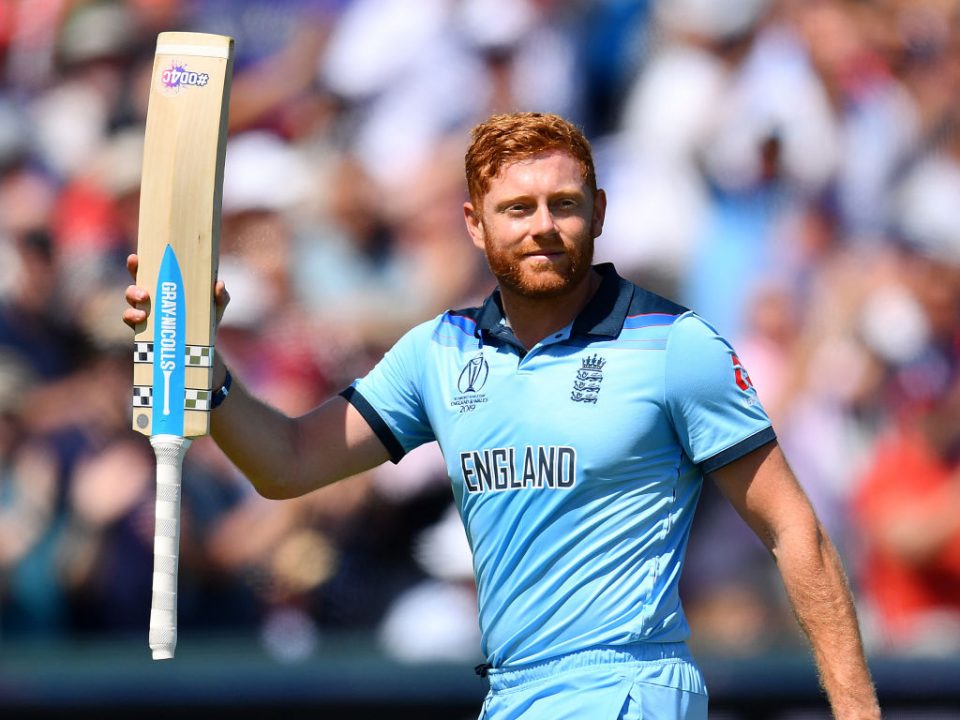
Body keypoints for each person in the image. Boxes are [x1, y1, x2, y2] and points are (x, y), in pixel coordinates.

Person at [124, 112, 880, 719]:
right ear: (474, 224)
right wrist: (198, 361)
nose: (542, 226)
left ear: (599, 214)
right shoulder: (438, 352)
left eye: (564, 205)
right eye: (516, 208)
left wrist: (855, 713)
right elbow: (286, 462)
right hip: (512, 694)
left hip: (628, 691)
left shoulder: (675, 345)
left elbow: (795, 531)